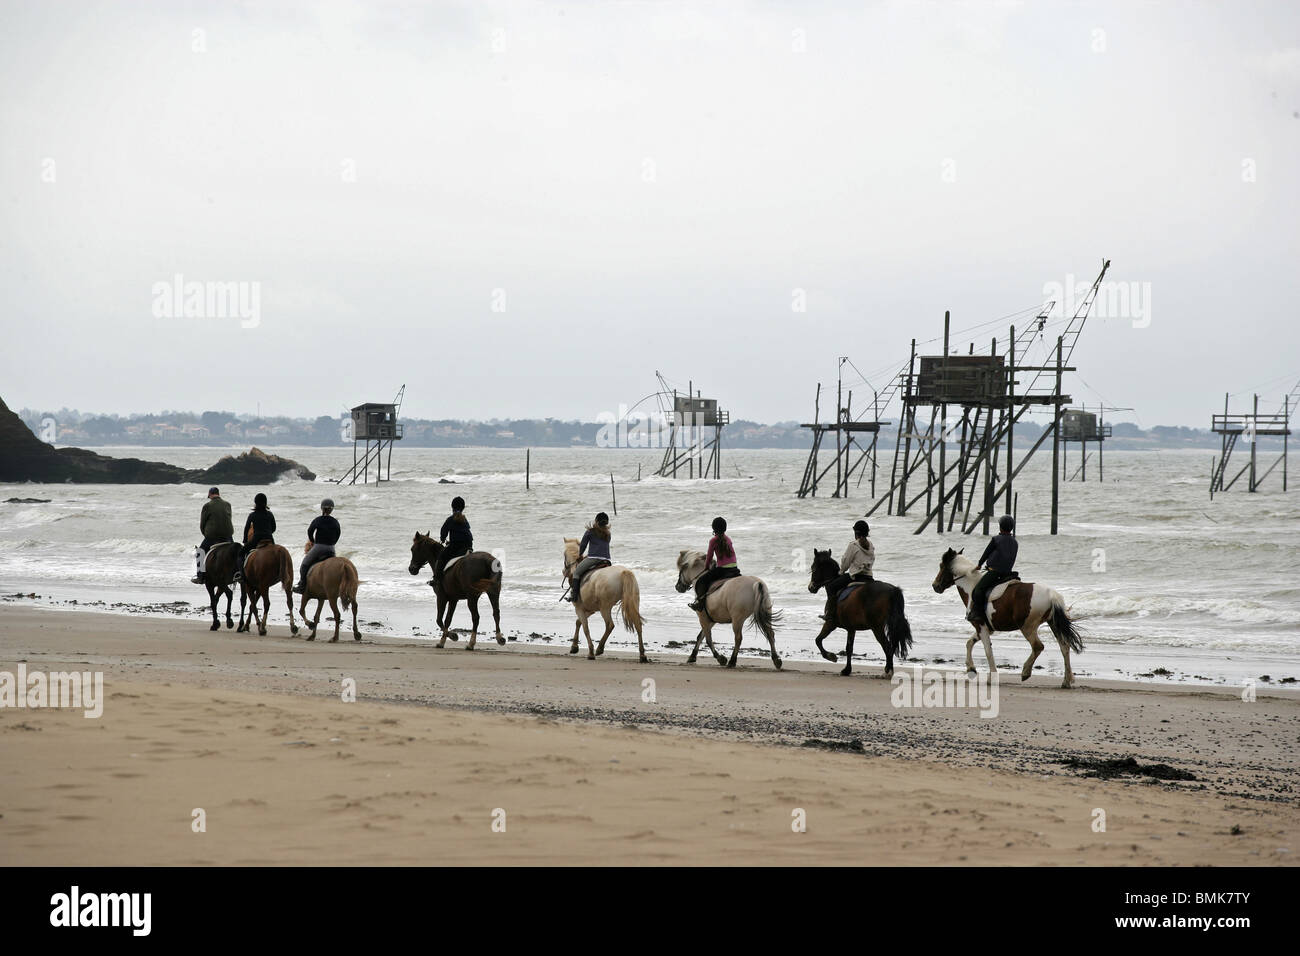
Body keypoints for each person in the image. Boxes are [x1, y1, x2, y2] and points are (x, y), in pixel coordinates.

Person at [966, 514, 1019, 627]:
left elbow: (986, 553)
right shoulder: (1015, 542)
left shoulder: (996, 539)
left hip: (995, 572)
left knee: (978, 590)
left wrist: (979, 565)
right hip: (1008, 573)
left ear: (1000, 527)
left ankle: (978, 613)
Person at [821, 519, 875, 627]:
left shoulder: (853, 545)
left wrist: (841, 571)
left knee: (831, 587)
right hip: (869, 577)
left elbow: (846, 562)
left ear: (856, 533)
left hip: (855, 577)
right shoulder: (870, 545)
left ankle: (830, 614)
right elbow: (872, 559)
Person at [688, 516, 741, 612]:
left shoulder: (713, 541)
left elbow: (709, 556)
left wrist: (706, 567)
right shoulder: (728, 539)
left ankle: (700, 603)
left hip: (722, 570)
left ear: (714, 528)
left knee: (701, 581)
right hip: (734, 568)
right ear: (725, 528)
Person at [294, 499, 340, 594]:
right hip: (331, 548)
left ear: (322, 508)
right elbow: (338, 533)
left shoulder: (318, 520)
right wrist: (333, 543)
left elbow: (310, 530)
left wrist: (312, 541)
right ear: (332, 510)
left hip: (319, 547)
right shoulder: (335, 521)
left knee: (304, 564)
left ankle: (302, 585)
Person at [568, 512, 612, 604]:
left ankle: (574, 596)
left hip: (593, 558)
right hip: (607, 559)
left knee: (576, 573)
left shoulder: (590, 532)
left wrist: (580, 555)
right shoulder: (608, 533)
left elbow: (583, 545)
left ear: (596, 521)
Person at [192, 486, 233, 584]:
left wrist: (205, 534)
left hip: (212, 536)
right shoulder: (228, 504)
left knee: (200, 552)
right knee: (235, 553)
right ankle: (238, 573)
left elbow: (202, 523)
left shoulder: (207, 506)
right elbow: (229, 519)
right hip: (227, 535)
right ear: (218, 494)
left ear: (210, 495)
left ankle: (200, 576)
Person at [431, 496, 472, 588]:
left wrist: (442, 539)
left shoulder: (450, 519)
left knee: (441, 558)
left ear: (452, 507)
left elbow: (443, 531)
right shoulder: (465, 519)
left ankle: (436, 579)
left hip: (456, 546)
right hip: (468, 545)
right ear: (463, 508)